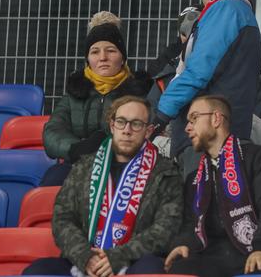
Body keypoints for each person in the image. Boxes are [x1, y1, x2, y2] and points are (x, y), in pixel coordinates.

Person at [24, 96, 183, 276]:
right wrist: (85, 257)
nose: (127, 130)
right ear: (112, 125)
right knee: (36, 270)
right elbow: (62, 219)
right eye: (121, 122)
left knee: (152, 270)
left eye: (136, 124)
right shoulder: (85, 166)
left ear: (148, 131)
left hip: (134, 261)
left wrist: (118, 256)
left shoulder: (166, 172)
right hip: (85, 258)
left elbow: (166, 228)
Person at [165, 95, 261, 277]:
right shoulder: (195, 177)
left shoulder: (258, 158)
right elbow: (189, 223)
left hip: (255, 252)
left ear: (216, 119)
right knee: (179, 270)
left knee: (257, 268)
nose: (187, 128)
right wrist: (182, 244)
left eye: (194, 118)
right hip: (210, 256)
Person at [154, 0, 261, 164]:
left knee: (198, 193)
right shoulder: (246, 16)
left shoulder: (224, 11)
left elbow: (198, 71)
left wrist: (160, 115)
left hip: (205, 136)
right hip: (228, 131)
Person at [41, 12, 152, 186]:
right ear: (87, 59)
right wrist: (76, 149)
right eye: (95, 51)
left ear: (122, 58)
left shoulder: (139, 94)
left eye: (111, 51)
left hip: (125, 165)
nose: (102, 58)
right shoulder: (73, 95)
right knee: (52, 181)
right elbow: (52, 132)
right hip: (77, 163)